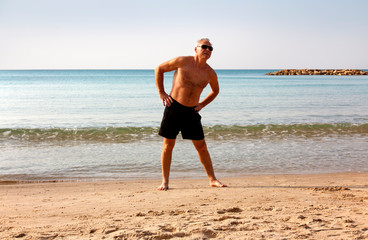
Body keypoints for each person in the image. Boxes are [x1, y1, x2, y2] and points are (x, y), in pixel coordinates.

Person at [155, 38, 227, 191]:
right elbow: (159, 69)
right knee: (168, 145)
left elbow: (215, 91)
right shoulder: (182, 61)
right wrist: (161, 92)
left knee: (201, 146)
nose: (207, 50)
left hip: (191, 112)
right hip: (173, 107)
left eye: (210, 48)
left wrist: (202, 104)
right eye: (204, 47)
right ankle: (165, 181)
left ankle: (212, 179)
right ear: (196, 49)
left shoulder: (210, 73)